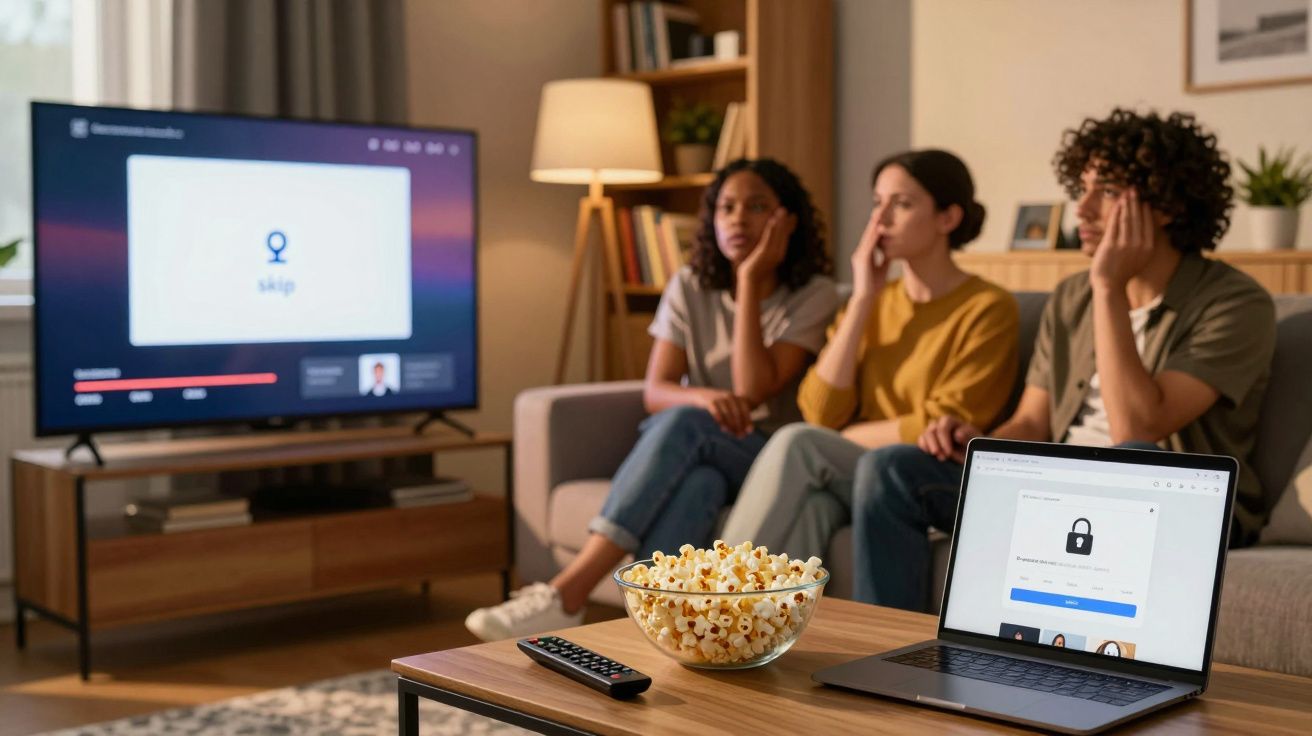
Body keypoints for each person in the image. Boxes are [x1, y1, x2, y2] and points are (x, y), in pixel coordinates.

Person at [848, 108, 1276, 613]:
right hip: (1061, 487)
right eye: (1083, 189)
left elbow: (1137, 425)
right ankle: (889, 652)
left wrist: (1109, 285)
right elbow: (1032, 421)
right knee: (889, 469)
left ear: (1165, 205)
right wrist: (978, 444)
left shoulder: (1235, 303)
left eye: (1108, 192)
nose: (1083, 209)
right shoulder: (1072, 296)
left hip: (1167, 498)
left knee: (1136, 454)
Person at [464, 159, 838, 641]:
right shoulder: (689, 285)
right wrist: (705, 399)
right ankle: (655, 629)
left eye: (757, 207)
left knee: (685, 424)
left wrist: (748, 280)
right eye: (726, 208)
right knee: (697, 479)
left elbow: (752, 388)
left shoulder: (816, 295)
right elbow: (655, 390)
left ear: (787, 220)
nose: (738, 219)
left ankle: (567, 592)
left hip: (769, 460)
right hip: (706, 452)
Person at [719, 149, 1019, 564]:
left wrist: (838, 440)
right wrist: (862, 299)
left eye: (902, 204)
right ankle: (762, 627)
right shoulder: (873, 302)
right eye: (878, 203)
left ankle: (711, 595)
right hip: (860, 470)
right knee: (814, 509)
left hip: (924, 472)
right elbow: (820, 410)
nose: (881, 220)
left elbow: (937, 428)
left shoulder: (988, 307)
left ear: (947, 218)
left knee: (799, 443)